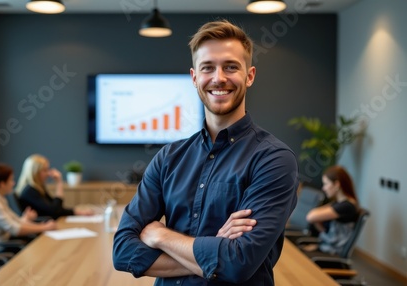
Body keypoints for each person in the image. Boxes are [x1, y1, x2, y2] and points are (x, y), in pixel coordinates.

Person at [113, 20, 299, 285]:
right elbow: (122, 251)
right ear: (194, 77)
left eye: (231, 67)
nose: (219, 78)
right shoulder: (168, 158)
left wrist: (160, 236)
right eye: (208, 68)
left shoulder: (274, 159)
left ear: (250, 75)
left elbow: (238, 264)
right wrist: (214, 253)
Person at [0, 162, 57, 244]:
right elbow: (15, 230)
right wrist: (44, 227)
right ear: (2, 184)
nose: (13, 183)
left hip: (6, 239)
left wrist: (27, 220)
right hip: (0, 246)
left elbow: (15, 221)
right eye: (11, 180)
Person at [15, 154, 94, 219]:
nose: (48, 173)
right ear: (35, 172)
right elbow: (54, 211)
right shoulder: (30, 191)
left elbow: (56, 207)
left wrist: (77, 212)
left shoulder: (38, 188)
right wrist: (59, 183)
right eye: (45, 170)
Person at [303, 165, 360, 255]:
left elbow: (311, 217)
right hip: (326, 246)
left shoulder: (346, 206)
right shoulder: (339, 203)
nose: (323, 188)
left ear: (337, 184)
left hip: (331, 252)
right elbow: (314, 217)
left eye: (326, 184)